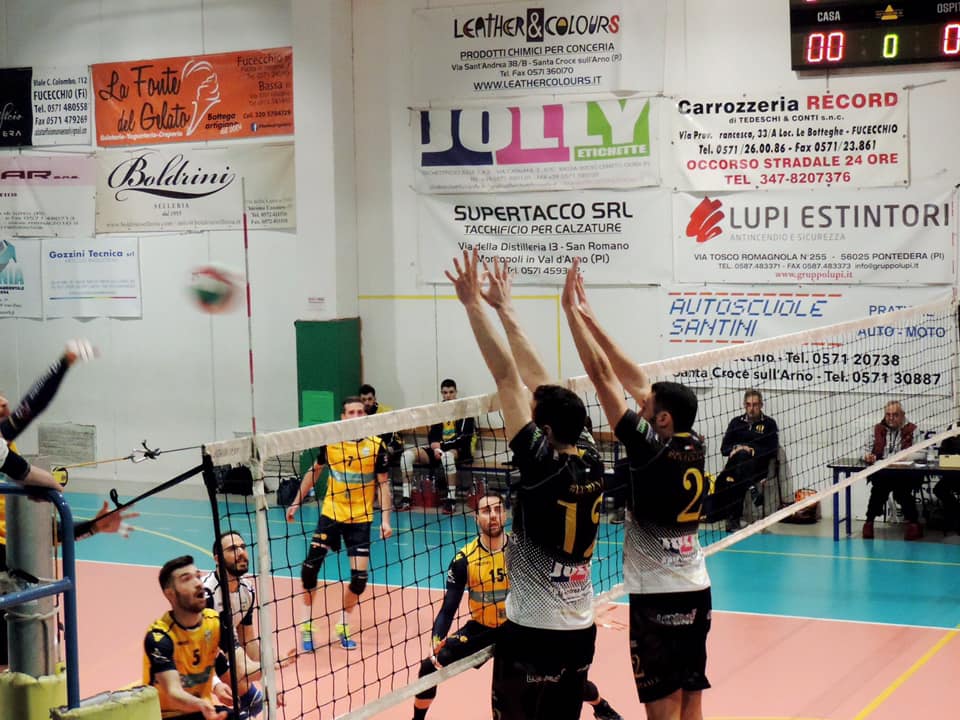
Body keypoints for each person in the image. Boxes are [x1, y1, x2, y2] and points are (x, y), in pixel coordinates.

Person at [446, 250, 602, 720]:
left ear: (546, 432)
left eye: (536, 420)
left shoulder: (541, 464)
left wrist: (474, 305)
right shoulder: (592, 456)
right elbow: (542, 386)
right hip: (580, 630)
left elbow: (507, 377)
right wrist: (506, 309)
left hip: (533, 632)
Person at [562, 260, 711, 720]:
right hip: (697, 589)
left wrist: (569, 314)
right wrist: (592, 318)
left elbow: (602, 375)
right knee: (691, 700)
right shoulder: (693, 442)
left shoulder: (650, 449)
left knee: (663, 710)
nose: (639, 405)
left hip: (658, 598)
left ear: (662, 419)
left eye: (646, 406)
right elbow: (633, 379)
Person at [411, 492, 622, 720]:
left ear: (505, 514)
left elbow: (555, 591)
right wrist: (436, 638)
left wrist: (584, 612)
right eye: (486, 511)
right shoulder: (464, 560)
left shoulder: (523, 552)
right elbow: (448, 608)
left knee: (558, 677)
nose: (493, 515)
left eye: (498, 509)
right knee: (429, 668)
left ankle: (600, 705)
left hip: (521, 629)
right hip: (482, 629)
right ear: (475, 517)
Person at [1, 339, 138, 670]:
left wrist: (92, 527)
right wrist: (51, 484)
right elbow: (28, 473)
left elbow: (32, 406)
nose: (5, 402)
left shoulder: (4, 440)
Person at [285, 396, 393, 652]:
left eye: (360, 412)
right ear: (343, 417)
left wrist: (386, 520)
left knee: (359, 580)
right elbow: (315, 471)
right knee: (309, 570)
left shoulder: (376, 445)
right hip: (331, 514)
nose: (355, 416)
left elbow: (383, 484)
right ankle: (307, 625)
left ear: (365, 415)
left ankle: (343, 625)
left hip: (360, 520)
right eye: (350, 412)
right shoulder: (331, 441)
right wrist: (296, 501)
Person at [144, 555, 257, 720]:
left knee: (251, 707)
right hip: (166, 715)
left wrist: (270, 671)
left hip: (202, 711)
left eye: (198, 576)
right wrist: (201, 704)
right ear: (170, 594)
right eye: (186, 579)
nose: (198, 583)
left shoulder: (214, 622)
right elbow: (173, 690)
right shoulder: (160, 637)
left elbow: (235, 670)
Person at [203, 532, 263, 717]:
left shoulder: (247, 590)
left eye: (243, 547)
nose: (241, 553)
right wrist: (215, 684)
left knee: (254, 702)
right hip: (192, 660)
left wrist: (269, 681)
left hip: (220, 652)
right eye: (232, 549)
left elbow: (248, 640)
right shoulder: (206, 595)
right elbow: (197, 647)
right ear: (217, 559)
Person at [398, 378, 476, 513]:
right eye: (445, 393)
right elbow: (432, 435)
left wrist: (440, 447)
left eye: (451, 392)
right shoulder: (437, 410)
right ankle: (406, 498)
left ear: (456, 392)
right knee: (406, 456)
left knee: (447, 457)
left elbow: (463, 439)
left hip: (460, 450)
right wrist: (436, 448)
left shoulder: (465, 411)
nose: (448, 396)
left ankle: (451, 500)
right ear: (441, 393)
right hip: (438, 449)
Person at [717, 389, 779, 532]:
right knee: (740, 462)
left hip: (758, 468)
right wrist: (737, 448)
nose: (751, 408)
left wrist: (751, 449)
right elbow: (724, 449)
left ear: (761, 405)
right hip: (736, 466)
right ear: (744, 405)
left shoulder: (769, 423)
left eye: (755, 405)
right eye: (748, 405)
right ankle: (751, 487)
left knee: (736, 476)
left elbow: (772, 449)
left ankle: (733, 520)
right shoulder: (735, 422)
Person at [861, 400, 923, 541]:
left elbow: (922, 453)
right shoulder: (876, 429)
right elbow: (864, 450)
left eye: (895, 415)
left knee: (901, 492)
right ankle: (869, 523)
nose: (890, 418)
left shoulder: (913, 429)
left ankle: (913, 524)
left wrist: (905, 456)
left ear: (902, 415)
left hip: (905, 474)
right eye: (888, 414)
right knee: (879, 490)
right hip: (883, 473)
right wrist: (867, 456)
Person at [359, 383, 403, 461]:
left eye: (369, 399)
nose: (366, 403)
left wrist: (390, 448)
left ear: (375, 399)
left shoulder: (387, 412)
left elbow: (398, 439)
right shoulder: (357, 416)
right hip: (365, 453)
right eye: (364, 400)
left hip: (385, 452)